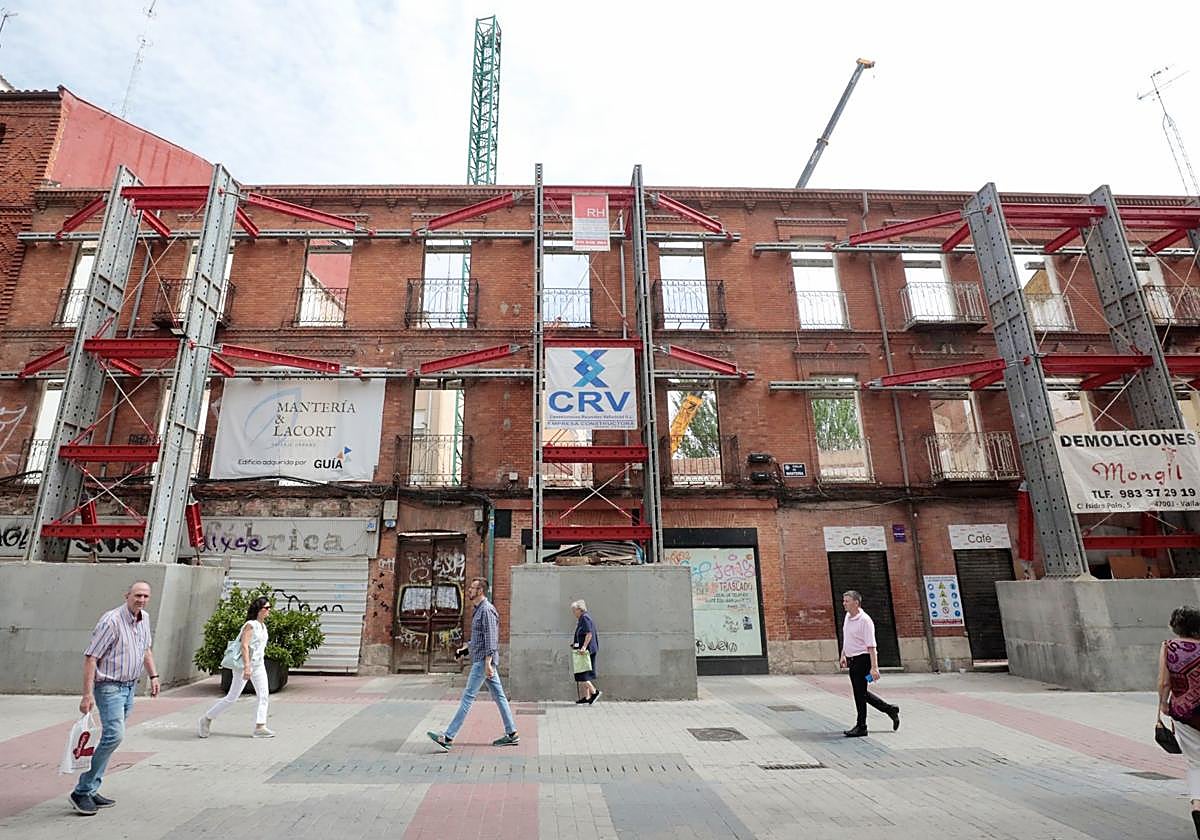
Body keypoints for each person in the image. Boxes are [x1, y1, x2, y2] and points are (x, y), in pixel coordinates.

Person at [69, 580, 159, 816]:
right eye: (137, 595)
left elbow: (145, 649)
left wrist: (154, 676)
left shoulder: (144, 619)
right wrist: (86, 695)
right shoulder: (111, 621)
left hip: (129, 688)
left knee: (111, 739)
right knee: (114, 736)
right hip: (109, 687)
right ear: (127, 595)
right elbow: (91, 657)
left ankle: (90, 788)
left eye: (145, 596)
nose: (141, 600)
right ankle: (81, 790)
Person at [427, 577, 519, 751]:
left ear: (480, 591)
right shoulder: (478, 610)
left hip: (482, 663)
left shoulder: (487, 610)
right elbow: (479, 639)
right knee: (499, 697)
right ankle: (512, 733)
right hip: (482, 660)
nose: (469, 590)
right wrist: (464, 650)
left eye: (472, 588)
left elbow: (491, 640)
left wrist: (488, 663)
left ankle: (448, 737)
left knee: (468, 698)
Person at [198, 596, 275, 740]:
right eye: (266, 608)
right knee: (232, 697)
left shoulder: (263, 626)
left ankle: (260, 726)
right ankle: (207, 718)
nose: (269, 610)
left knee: (264, 695)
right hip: (245, 665)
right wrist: (247, 667)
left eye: (269, 608)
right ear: (258, 610)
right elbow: (244, 646)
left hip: (258, 665)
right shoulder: (250, 625)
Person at [1157, 605, 1200, 838]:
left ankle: (1197, 806)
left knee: (1196, 763)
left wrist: (1163, 704)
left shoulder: (1169, 647)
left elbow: (1164, 682)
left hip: (1184, 713)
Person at [838, 590, 899, 737]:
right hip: (853, 661)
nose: (844, 603)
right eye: (844, 600)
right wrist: (843, 654)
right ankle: (889, 709)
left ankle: (862, 726)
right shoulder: (848, 617)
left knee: (860, 694)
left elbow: (871, 646)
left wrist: (874, 668)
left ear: (856, 603)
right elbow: (847, 637)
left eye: (847, 601)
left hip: (863, 661)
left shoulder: (865, 621)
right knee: (861, 693)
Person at [570, 599, 601, 705]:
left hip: (587, 650)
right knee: (584, 672)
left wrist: (583, 647)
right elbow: (582, 634)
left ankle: (594, 692)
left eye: (574, 610)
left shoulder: (585, 618)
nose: (573, 613)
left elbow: (589, 634)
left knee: (583, 674)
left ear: (580, 609)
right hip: (583, 649)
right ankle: (587, 697)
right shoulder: (582, 618)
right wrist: (576, 644)